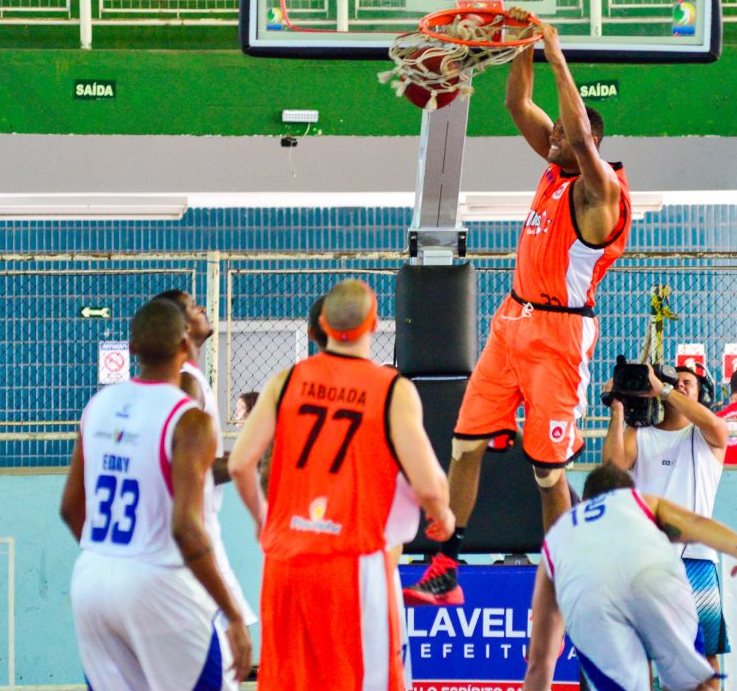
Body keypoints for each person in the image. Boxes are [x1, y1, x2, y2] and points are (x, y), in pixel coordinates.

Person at [403, 9, 632, 607]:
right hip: (512, 322)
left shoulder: (601, 192)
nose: (549, 140)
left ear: (588, 145)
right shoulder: (555, 170)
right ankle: (445, 567)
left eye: (561, 136)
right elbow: (516, 102)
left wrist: (556, 53)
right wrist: (520, 42)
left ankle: (567, 575)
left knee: (548, 473)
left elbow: (575, 135)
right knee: (464, 444)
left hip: (559, 334)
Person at [228, 279, 453, 691]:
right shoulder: (392, 389)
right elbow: (430, 487)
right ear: (374, 325)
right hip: (353, 564)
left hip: (285, 562)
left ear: (324, 327)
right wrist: (445, 518)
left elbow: (241, 464)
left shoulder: (285, 381)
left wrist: (264, 522)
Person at [60, 298, 252, 690]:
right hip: (158, 580)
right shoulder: (188, 418)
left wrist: (113, 557)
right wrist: (232, 613)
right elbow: (185, 529)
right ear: (184, 344)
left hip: (92, 577)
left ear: (132, 348)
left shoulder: (98, 405)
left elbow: (70, 507)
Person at [522, 464, 737, 691]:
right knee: (695, 684)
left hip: (593, 601)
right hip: (650, 578)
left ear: (584, 503)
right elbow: (694, 523)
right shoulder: (640, 502)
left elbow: (538, 666)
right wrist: (736, 545)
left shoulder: (559, 538)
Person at [602, 365, 732, 688]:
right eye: (675, 381)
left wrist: (665, 389)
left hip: (697, 562)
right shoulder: (640, 435)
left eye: (687, 383)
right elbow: (611, 467)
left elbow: (716, 426)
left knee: (704, 657)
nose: (680, 385)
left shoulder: (706, 437)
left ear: (702, 395)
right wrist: (618, 408)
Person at [152, 289, 258, 632]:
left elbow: (200, 458)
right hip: (192, 533)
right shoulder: (186, 382)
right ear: (181, 328)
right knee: (231, 637)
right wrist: (255, 454)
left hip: (189, 532)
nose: (201, 307)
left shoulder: (189, 378)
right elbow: (189, 467)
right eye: (192, 306)